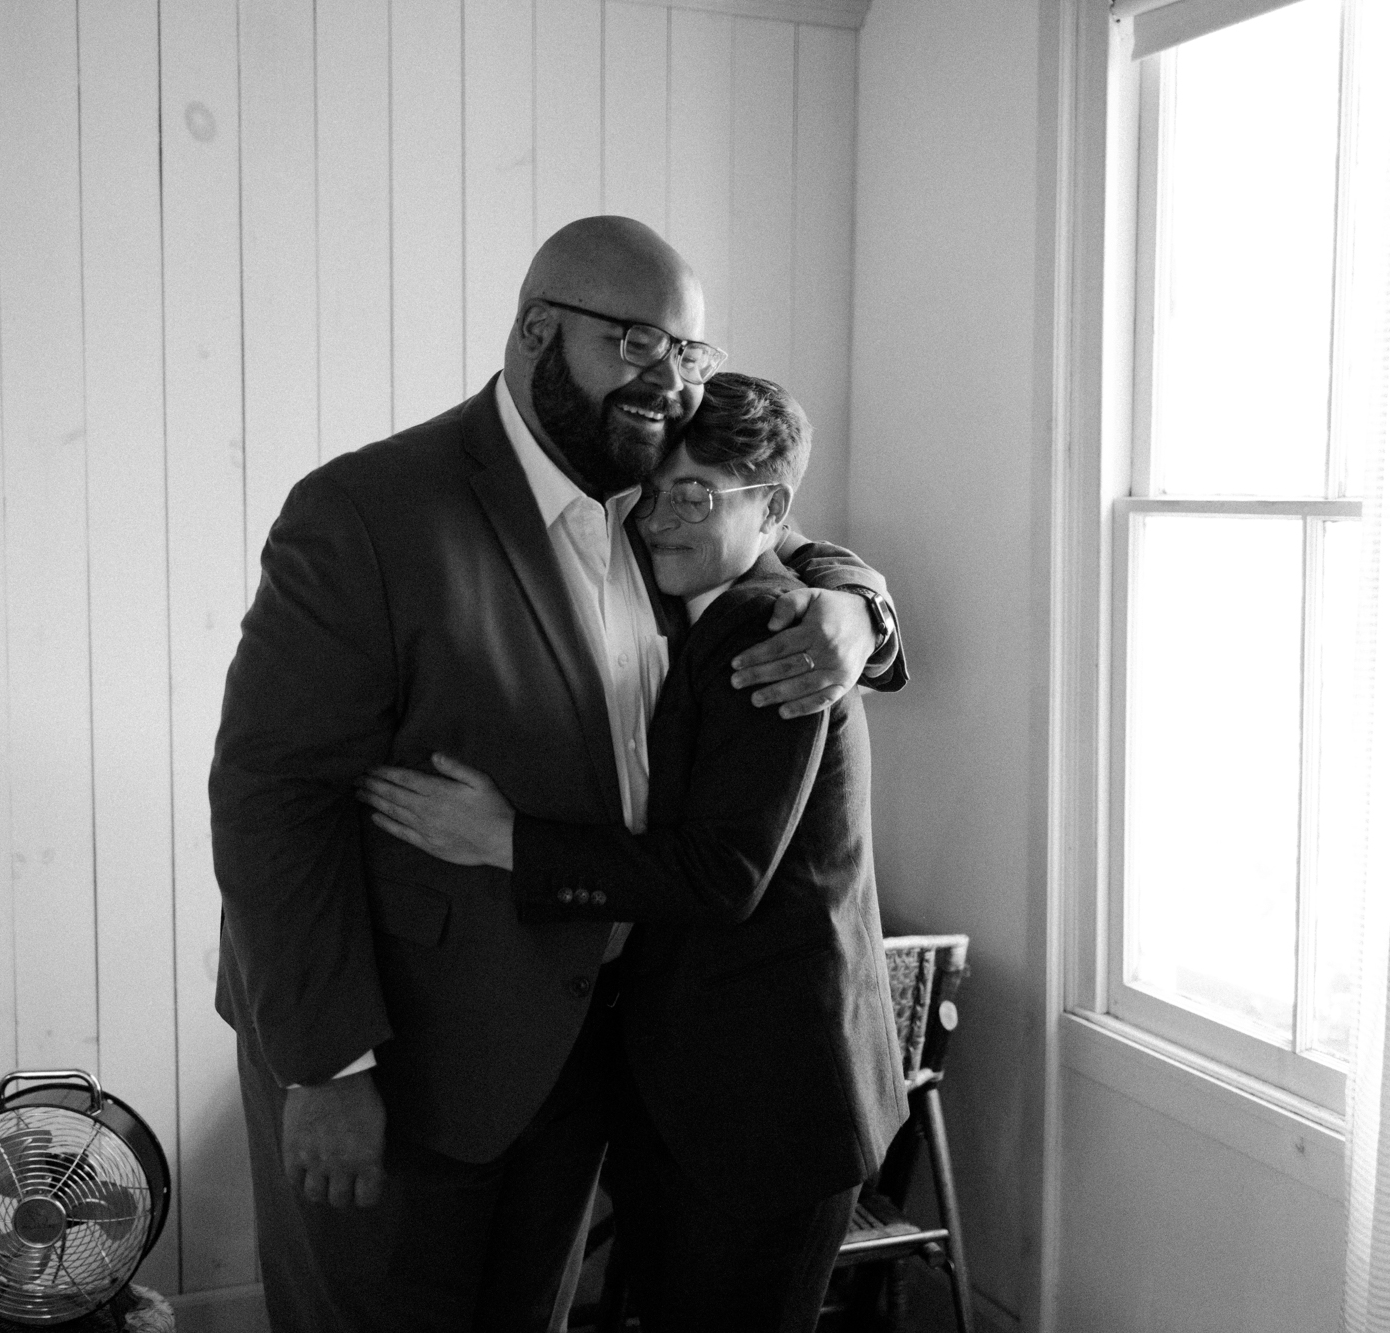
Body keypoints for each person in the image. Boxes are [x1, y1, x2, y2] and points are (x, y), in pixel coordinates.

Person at [208, 217, 905, 1332]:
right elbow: (269, 799)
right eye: (634, 343)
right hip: (405, 1071)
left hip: (582, 1074)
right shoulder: (368, 513)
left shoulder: (646, 506)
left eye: (690, 353)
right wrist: (326, 1067)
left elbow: (773, 537)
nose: (669, 382)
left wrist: (858, 608)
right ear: (538, 329)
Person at [359, 373, 905, 1332]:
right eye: (650, 494)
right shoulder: (691, 587)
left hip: (767, 1101)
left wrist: (503, 840)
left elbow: (721, 876)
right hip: (696, 1091)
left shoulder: (772, 629)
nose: (657, 521)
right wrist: (860, 595)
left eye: (694, 496)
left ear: (770, 508)